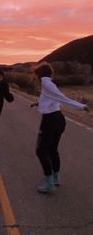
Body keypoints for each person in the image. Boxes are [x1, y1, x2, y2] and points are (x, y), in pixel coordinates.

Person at [31, 62, 89, 193]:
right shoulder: (49, 84)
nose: (34, 77)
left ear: (39, 74)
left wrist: (80, 106)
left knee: (41, 151)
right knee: (52, 149)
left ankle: (49, 183)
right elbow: (52, 98)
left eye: (35, 74)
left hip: (50, 121)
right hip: (58, 119)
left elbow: (60, 97)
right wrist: (38, 103)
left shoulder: (45, 83)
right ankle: (56, 178)